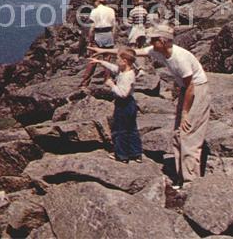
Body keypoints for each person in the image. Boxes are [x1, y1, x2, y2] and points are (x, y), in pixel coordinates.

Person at [89, 24, 211, 188]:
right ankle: (181, 177)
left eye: (153, 40)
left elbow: (191, 87)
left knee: (188, 134)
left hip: (197, 90)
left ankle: (191, 184)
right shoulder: (158, 50)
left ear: (162, 41)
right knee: (178, 134)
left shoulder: (180, 58)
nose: (150, 43)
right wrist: (105, 52)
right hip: (185, 89)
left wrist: (185, 113)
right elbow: (134, 53)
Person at [90, 48, 143, 163]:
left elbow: (123, 94)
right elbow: (113, 68)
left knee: (120, 130)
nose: (116, 61)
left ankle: (122, 155)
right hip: (130, 103)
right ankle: (136, 153)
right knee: (132, 128)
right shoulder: (124, 71)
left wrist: (111, 85)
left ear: (124, 61)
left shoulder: (128, 76)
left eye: (118, 59)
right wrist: (100, 62)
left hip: (124, 104)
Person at [81, 0, 116, 87]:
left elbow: (92, 27)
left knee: (94, 58)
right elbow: (114, 25)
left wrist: (90, 40)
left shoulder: (94, 11)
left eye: (93, 1)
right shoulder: (111, 10)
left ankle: (85, 82)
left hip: (98, 34)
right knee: (107, 58)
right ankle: (107, 79)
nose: (92, 3)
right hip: (108, 34)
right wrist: (113, 36)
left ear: (97, 1)